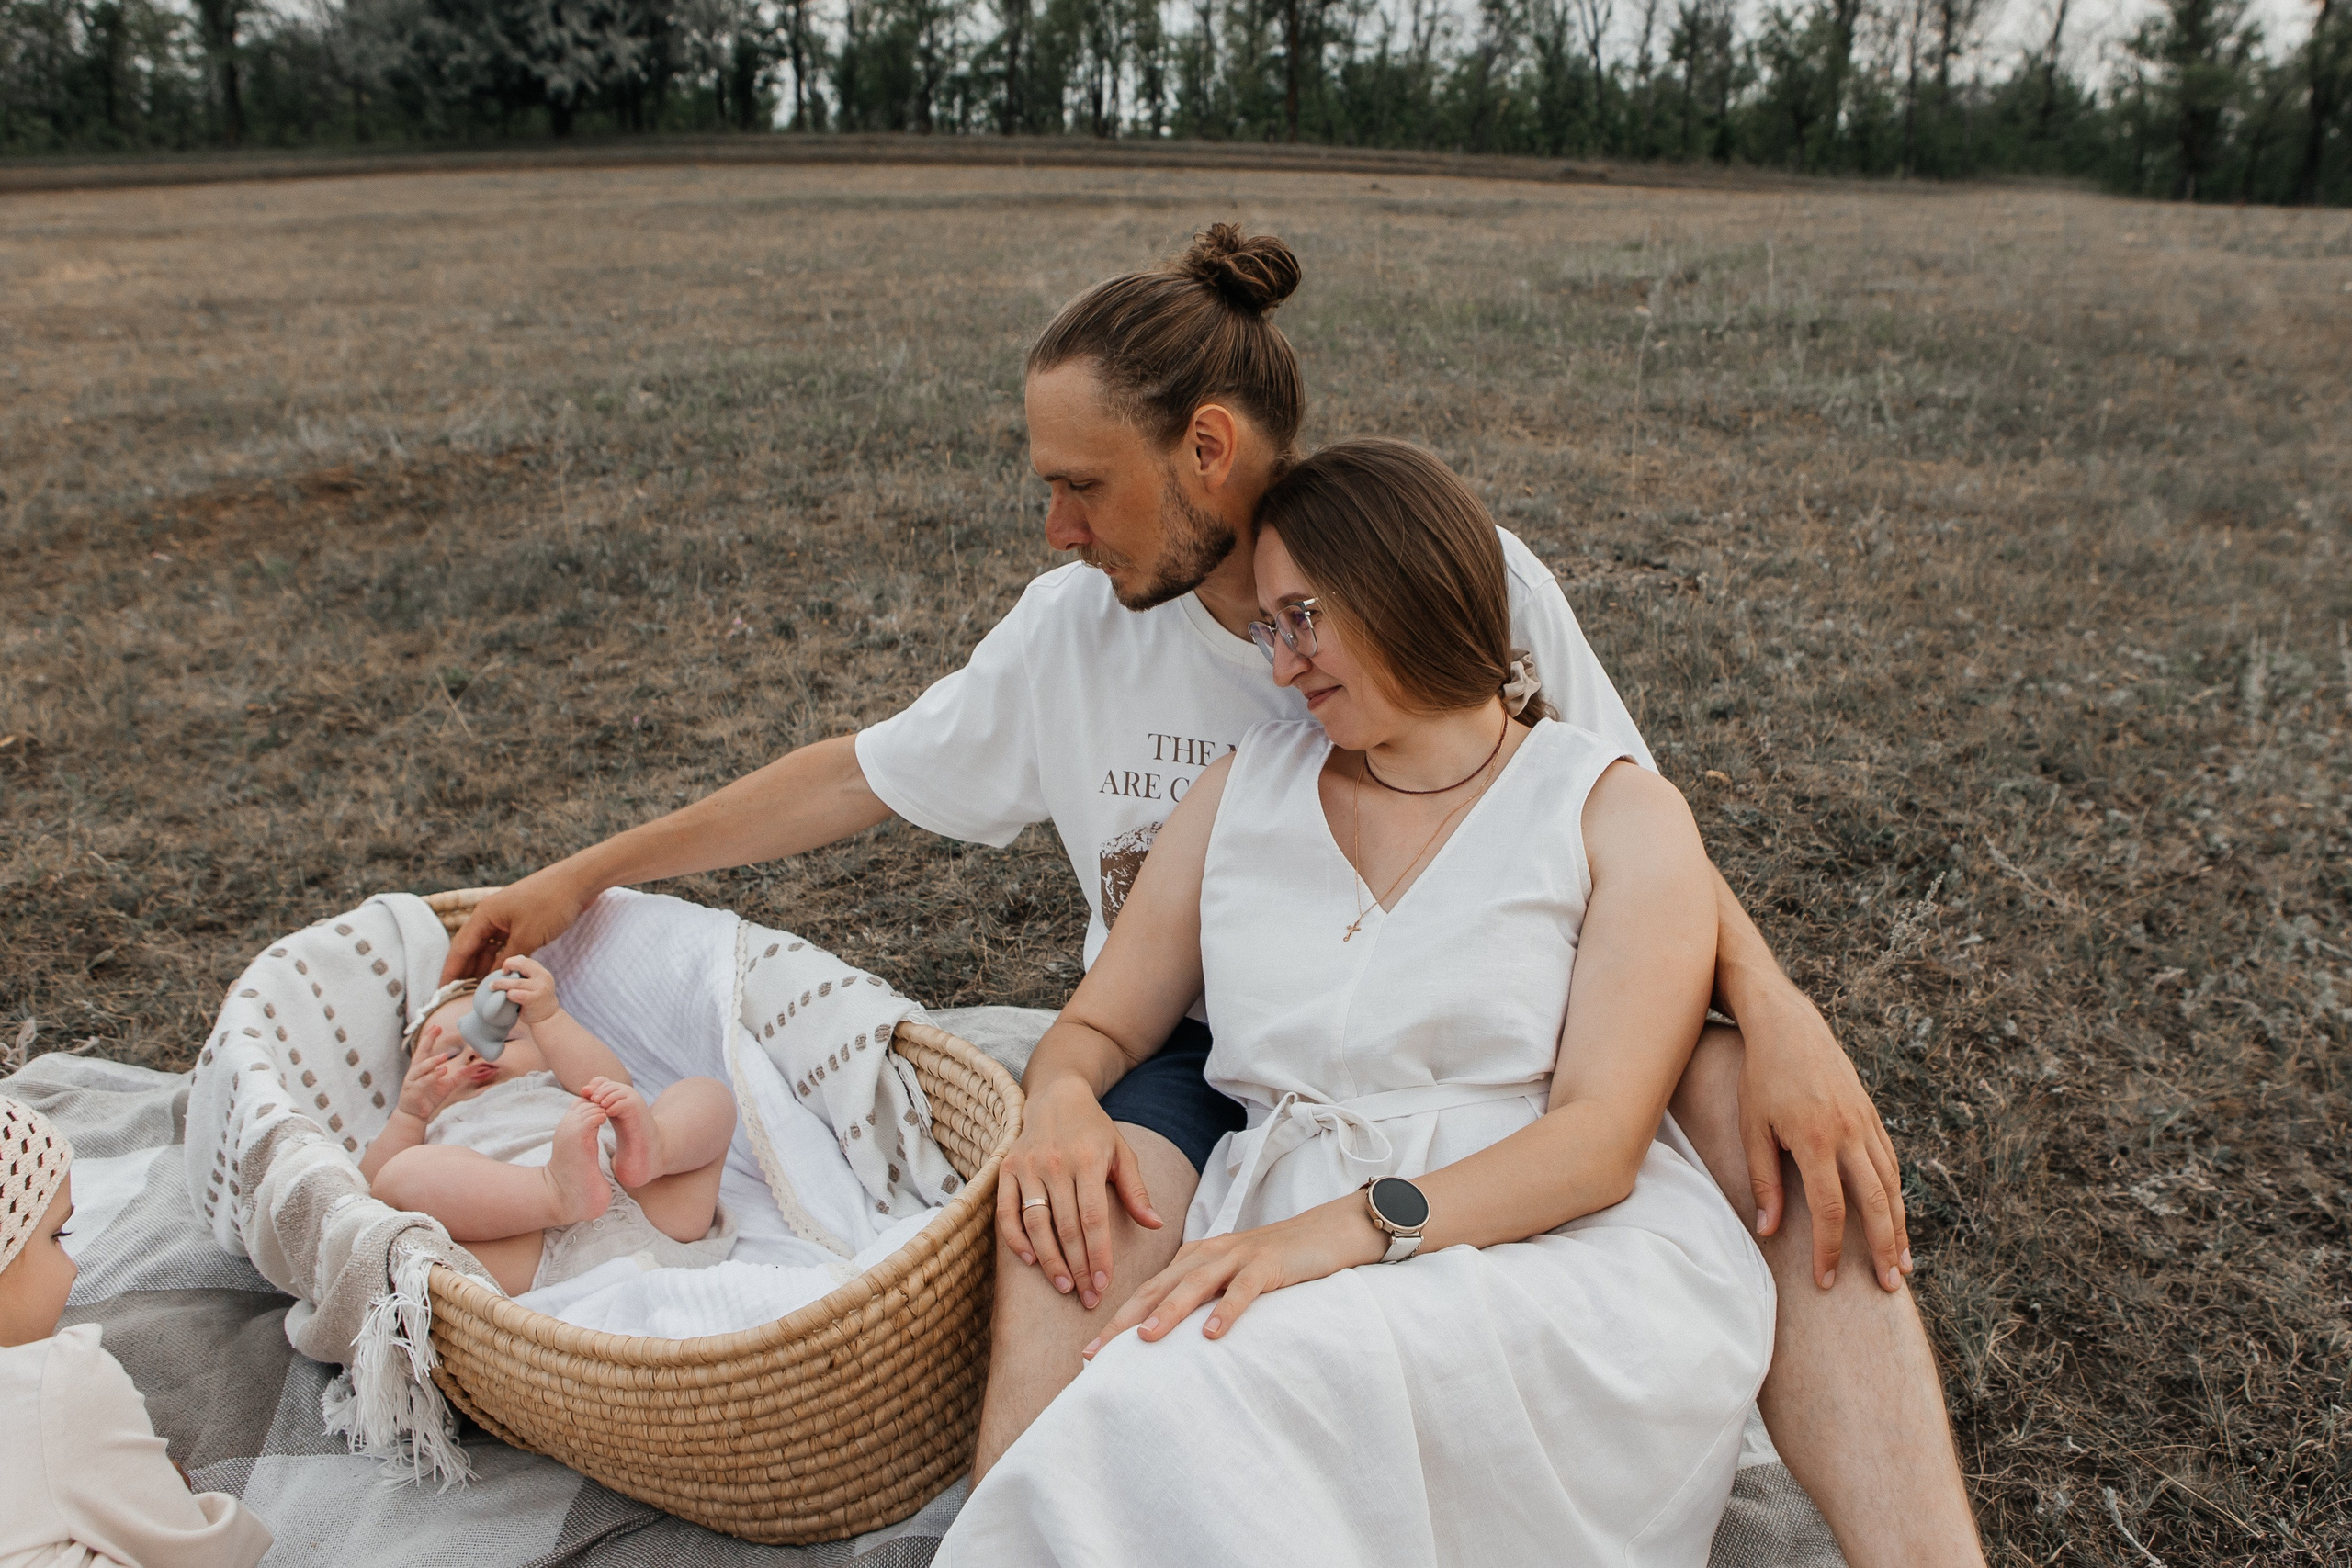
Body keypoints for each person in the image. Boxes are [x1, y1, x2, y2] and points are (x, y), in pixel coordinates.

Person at [443, 225, 1982, 1564]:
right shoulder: (1077, 635)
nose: (1057, 527)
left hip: (1500, 1010)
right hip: (1193, 1033)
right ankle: (1041, 1513)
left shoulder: (1459, 572)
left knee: (1778, 1126)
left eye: (1080, 485)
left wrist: (1777, 1011)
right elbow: (859, 773)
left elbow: (1621, 817)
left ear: (1207, 447)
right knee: (1069, 1207)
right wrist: (588, 870)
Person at [941, 439, 1776, 1562]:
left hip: (1543, 1257)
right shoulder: (1244, 789)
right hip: (1276, 1239)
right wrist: (1061, 1099)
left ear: (1403, 586)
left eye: (1302, 619)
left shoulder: (1610, 811)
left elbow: (1596, 1145)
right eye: (1266, 629)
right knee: (1145, 1417)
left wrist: (1334, 1235)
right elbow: (1099, 1023)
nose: (1282, 666)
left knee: (1193, 1401)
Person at [1, 1094, 276, 1568]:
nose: (73, 1268)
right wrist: (175, 1495)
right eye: (56, 1236)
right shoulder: (56, 1380)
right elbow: (204, 1557)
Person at [365, 954, 739, 1296]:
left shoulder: (560, 1080)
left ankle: (657, 1151)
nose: (474, 1052)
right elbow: (366, 1192)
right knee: (399, 1176)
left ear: (545, 1050)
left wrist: (547, 1017)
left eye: (506, 1036)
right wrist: (410, 1115)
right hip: (529, 1247)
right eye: (447, 1055)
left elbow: (615, 1083)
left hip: (647, 1203)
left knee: (705, 1094)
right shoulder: (434, 1124)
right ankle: (553, 1193)